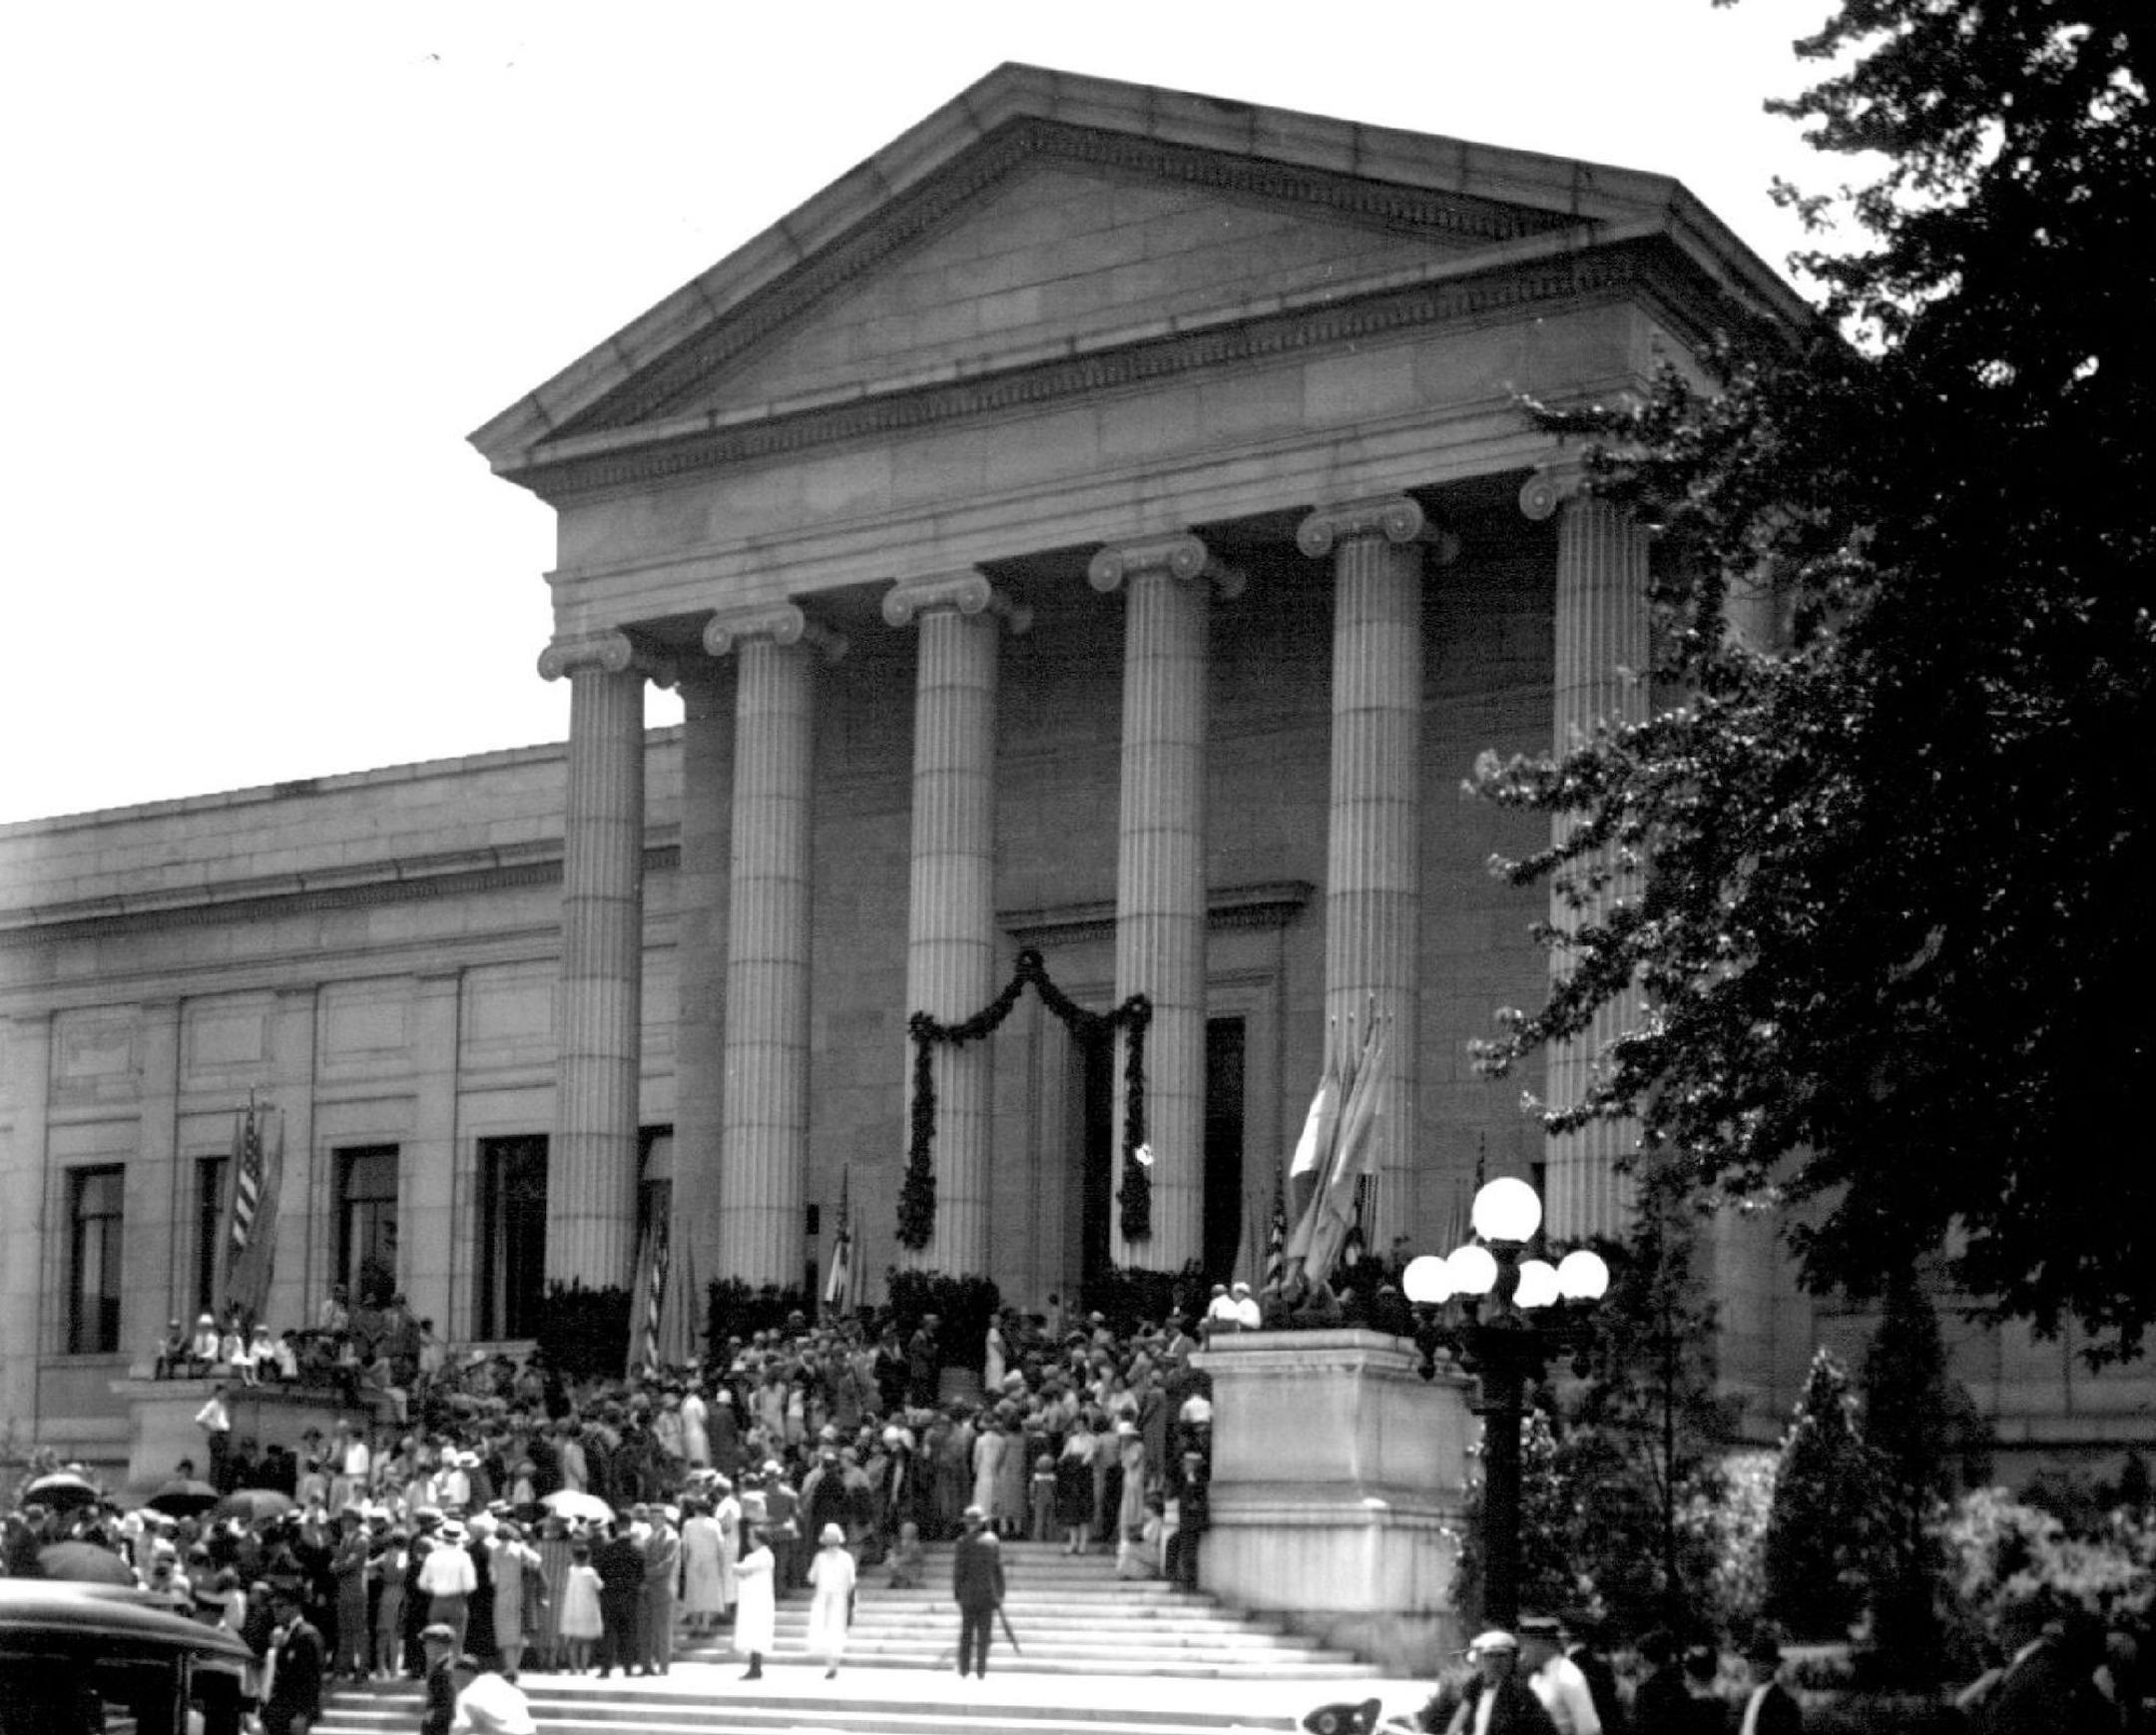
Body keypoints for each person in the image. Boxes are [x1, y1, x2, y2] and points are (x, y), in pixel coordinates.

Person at [1443, 1630, 1559, 1735]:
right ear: (1479, 1659)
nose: (1495, 1662)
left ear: (1511, 1660)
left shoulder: (1520, 1694)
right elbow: (1457, 1723)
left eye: (1501, 1656)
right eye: (1489, 1656)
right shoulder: (1475, 1687)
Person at [1519, 1615, 1602, 1735]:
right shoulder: (1535, 1678)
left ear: (1541, 1643)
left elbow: (1589, 1729)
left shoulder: (1568, 1677)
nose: (1523, 1655)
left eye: (1526, 1646)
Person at [261, 1584, 325, 1735]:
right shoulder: (280, 1634)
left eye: (280, 1606)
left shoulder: (307, 1635)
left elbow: (311, 1679)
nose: (275, 1611)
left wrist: (303, 1713)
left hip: (294, 1712)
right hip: (277, 1710)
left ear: (295, 1607)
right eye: (273, 1606)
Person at [951, 1503, 1005, 1679]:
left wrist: (957, 1593)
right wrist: (1000, 1592)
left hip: (968, 1594)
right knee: (984, 1635)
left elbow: (959, 1571)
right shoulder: (993, 1541)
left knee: (966, 1633)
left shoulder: (962, 1543)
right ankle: (981, 1669)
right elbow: (998, 1569)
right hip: (988, 1593)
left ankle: (964, 1668)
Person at [592, 1513, 646, 1679]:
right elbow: (642, 1574)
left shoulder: (607, 1549)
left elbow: (599, 1570)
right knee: (628, 1632)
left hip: (609, 1594)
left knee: (608, 1632)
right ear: (630, 1526)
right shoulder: (637, 1550)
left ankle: (606, 1667)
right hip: (629, 1595)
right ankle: (628, 1667)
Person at [806, 1521, 856, 1679]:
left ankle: (831, 1665)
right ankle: (832, 1664)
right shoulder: (844, 1557)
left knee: (831, 1630)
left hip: (830, 1598)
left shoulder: (821, 1558)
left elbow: (811, 1578)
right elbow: (851, 1582)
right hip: (833, 1599)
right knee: (834, 1631)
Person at [448, 1652, 538, 1735]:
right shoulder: (494, 1680)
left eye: (460, 1678)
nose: (456, 1682)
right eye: (455, 1678)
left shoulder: (468, 1694)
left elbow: (478, 1725)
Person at [1734, 1629, 1803, 1735]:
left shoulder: (1783, 1703)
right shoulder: (1746, 1698)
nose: (1756, 1668)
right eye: (1753, 1662)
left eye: (1762, 1663)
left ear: (1774, 1666)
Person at [734, 1524, 777, 1681]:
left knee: (757, 1632)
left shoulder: (764, 1555)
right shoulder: (754, 1555)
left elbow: (745, 1570)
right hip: (751, 1598)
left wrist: (732, 1566)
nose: (749, 1540)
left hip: (759, 1600)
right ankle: (754, 1666)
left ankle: (756, 1667)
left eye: (751, 1537)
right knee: (751, 1632)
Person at [555, 1537, 603, 1674]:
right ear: (588, 1557)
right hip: (587, 1610)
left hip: (571, 1608)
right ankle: (584, 1667)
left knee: (573, 1641)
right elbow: (600, 1586)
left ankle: (573, 1667)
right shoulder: (591, 1572)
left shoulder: (569, 1571)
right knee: (586, 1641)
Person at [418, 1622, 461, 1735]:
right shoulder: (443, 1667)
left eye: (428, 1644)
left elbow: (447, 1705)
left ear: (440, 1646)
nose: (425, 1648)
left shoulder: (445, 1671)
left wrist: (430, 1718)